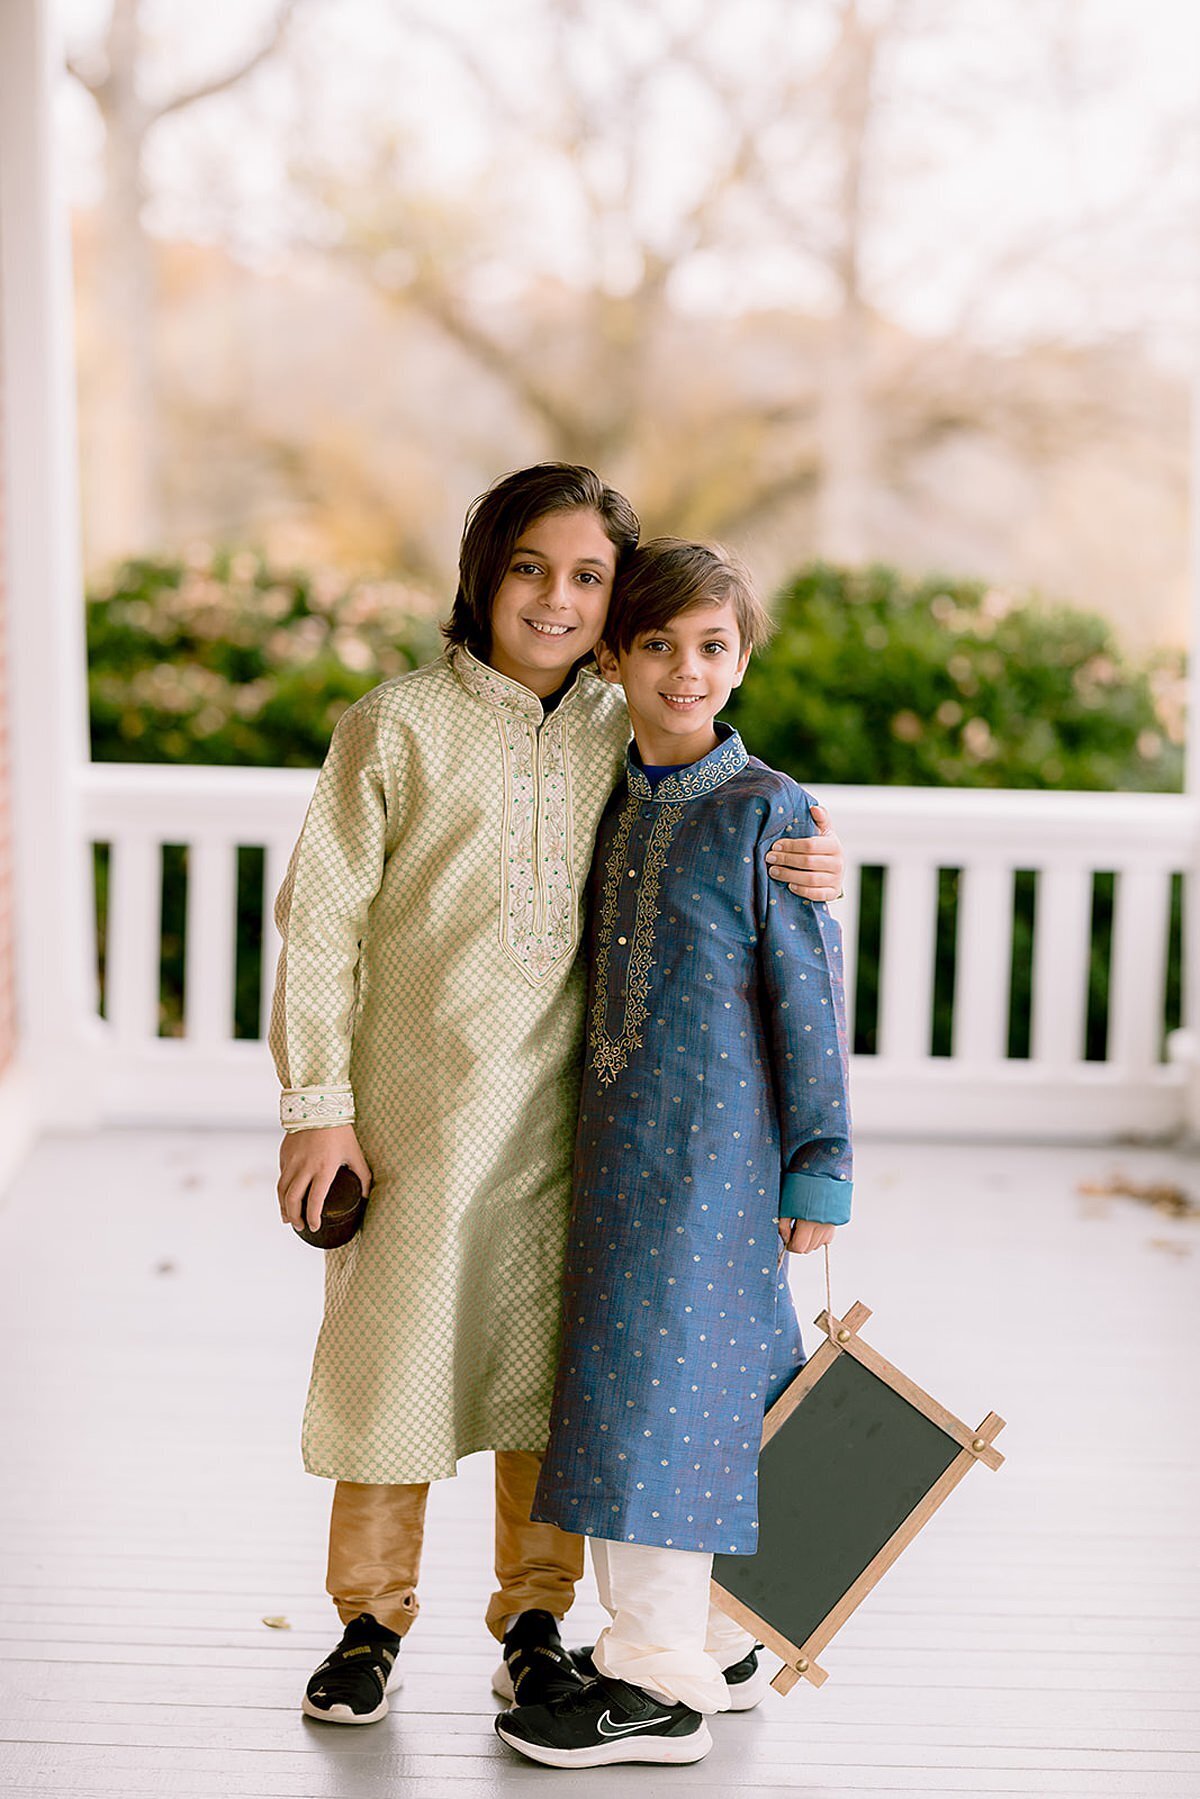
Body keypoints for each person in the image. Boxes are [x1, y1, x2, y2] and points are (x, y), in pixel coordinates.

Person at [269, 470, 846, 1726]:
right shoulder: (396, 724)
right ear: (481, 571)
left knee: (545, 1381)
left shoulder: (618, 722)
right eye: (532, 565)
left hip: (576, 1135)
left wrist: (805, 848)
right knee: (392, 1372)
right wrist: (317, 1100)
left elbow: (722, 808)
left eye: (590, 576)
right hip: (412, 1122)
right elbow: (320, 923)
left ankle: (534, 1621)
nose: (557, 597)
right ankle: (368, 1621)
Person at [495, 538, 852, 1770]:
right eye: (657, 644)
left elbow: (807, 998)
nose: (685, 670)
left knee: (661, 1398)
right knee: (666, 1389)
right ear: (611, 657)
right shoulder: (612, 796)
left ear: (743, 656)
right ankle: (715, 1638)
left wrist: (821, 1161)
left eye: (712, 646)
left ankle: (654, 1683)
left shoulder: (770, 814)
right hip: (610, 1157)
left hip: (714, 1165)